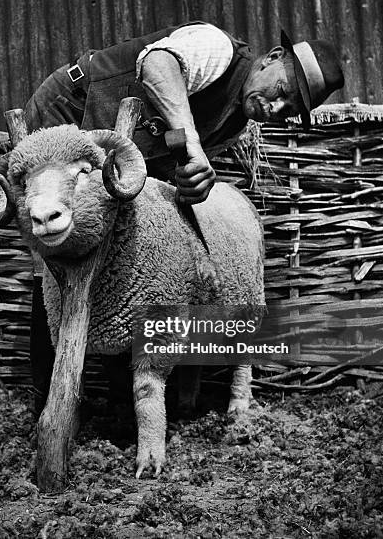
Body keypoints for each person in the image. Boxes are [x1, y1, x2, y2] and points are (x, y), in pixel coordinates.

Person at [24, 21, 344, 415]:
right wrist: (192, 142)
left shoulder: (235, 124)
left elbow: (165, 170)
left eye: (289, 109)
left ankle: (120, 407)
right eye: (282, 92)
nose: (276, 108)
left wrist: (192, 184)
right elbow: (157, 65)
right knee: (56, 258)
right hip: (71, 110)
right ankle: (45, 407)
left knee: (119, 266)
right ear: (273, 59)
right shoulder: (217, 48)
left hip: (112, 161)